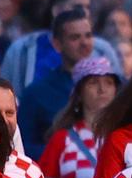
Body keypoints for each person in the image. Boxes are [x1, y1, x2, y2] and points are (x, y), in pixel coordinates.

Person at [18, 8, 96, 154]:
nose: (84, 43)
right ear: (57, 44)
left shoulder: (112, 88)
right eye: (75, 38)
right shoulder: (36, 93)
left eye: (88, 36)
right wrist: (64, 151)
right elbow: (23, 146)